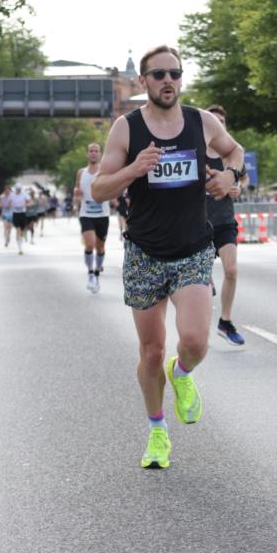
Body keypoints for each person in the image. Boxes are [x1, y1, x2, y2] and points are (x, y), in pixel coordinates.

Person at [92, 44, 244, 469]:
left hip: (193, 247)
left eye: (174, 74)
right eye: (157, 75)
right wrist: (133, 170)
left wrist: (230, 175)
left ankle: (182, 375)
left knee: (194, 341)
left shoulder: (202, 121)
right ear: (143, 82)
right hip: (144, 252)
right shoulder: (127, 128)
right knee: (151, 352)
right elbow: (99, 190)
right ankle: (157, 431)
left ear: (181, 78)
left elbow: (235, 151)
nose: (167, 81)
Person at [206, 105, 247, 346]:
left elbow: (244, 176)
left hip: (224, 221)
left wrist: (238, 187)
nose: (219, 124)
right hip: (198, 224)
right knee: (200, 280)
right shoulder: (197, 151)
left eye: (222, 121)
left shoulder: (232, 154)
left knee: (231, 271)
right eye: (214, 120)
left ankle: (225, 321)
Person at [73, 143, 111, 294]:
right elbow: (77, 189)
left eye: (96, 151)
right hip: (86, 213)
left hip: (102, 214)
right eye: (91, 151)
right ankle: (90, 274)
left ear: (100, 154)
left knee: (100, 247)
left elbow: (111, 188)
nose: (94, 153)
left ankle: (96, 274)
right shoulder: (81, 172)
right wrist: (76, 197)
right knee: (90, 244)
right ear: (87, 154)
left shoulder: (105, 171)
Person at [10, 182, 29, 254]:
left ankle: (21, 240)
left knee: (22, 231)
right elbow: (10, 202)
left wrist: (25, 205)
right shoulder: (12, 195)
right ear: (15, 189)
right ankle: (20, 248)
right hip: (15, 214)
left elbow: (30, 202)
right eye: (17, 189)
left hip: (23, 214)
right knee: (18, 230)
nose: (18, 190)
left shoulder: (24, 195)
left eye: (19, 189)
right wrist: (11, 205)